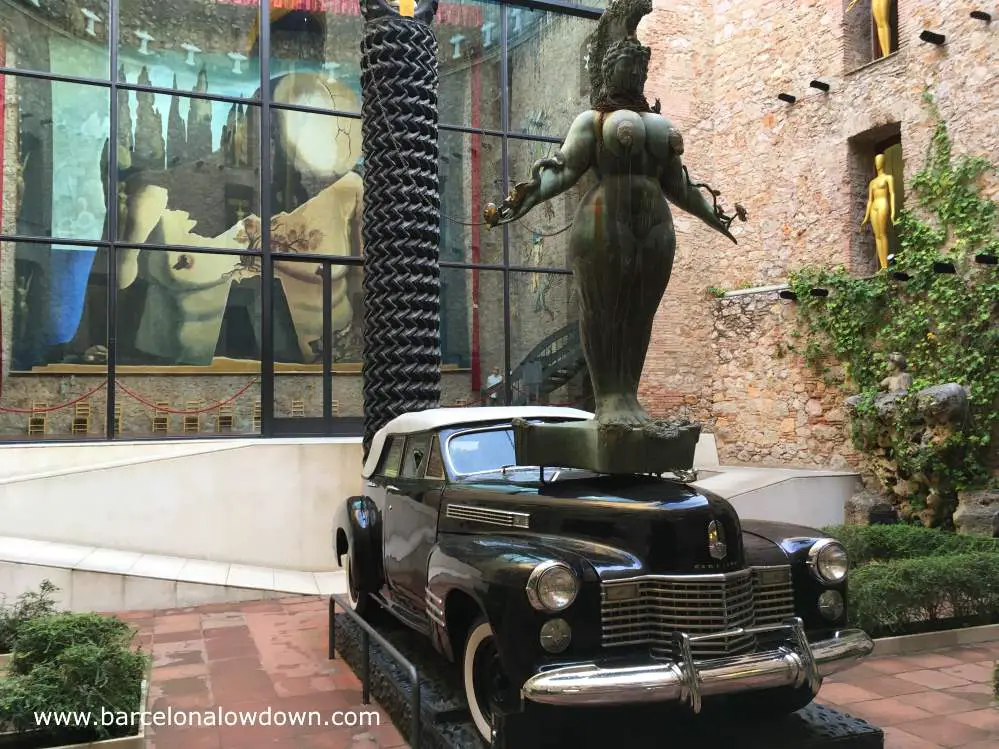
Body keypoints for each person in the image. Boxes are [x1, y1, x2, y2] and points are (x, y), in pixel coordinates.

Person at [485, 2, 739, 427]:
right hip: (603, 222)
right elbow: (564, 169)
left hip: (656, 226)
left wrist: (718, 218)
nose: (635, 73)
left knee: (641, 312)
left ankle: (631, 397)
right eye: (626, 65)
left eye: (639, 68)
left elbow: (679, 185)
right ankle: (609, 400)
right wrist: (522, 200)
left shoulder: (657, 123)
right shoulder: (592, 120)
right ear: (609, 69)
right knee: (603, 309)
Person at [861, 153, 897, 271]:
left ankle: (885, 265)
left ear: (883, 162)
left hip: (883, 204)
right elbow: (870, 200)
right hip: (874, 206)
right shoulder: (872, 182)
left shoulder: (888, 178)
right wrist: (866, 217)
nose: (877, 163)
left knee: (883, 234)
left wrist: (893, 211)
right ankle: (882, 265)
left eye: (879, 160)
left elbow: (892, 194)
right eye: (876, 161)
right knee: (877, 235)